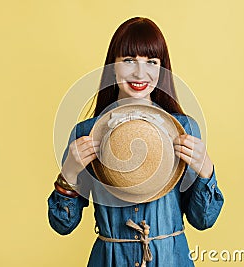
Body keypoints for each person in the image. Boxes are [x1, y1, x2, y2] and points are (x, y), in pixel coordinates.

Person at [48, 17, 224, 267]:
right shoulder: (86, 133)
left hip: (170, 259)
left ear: (162, 69)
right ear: (113, 66)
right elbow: (62, 225)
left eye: (151, 62)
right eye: (129, 60)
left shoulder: (183, 129)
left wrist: (206, 170)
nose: (140, 73)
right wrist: (69, 172)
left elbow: (203, 220)